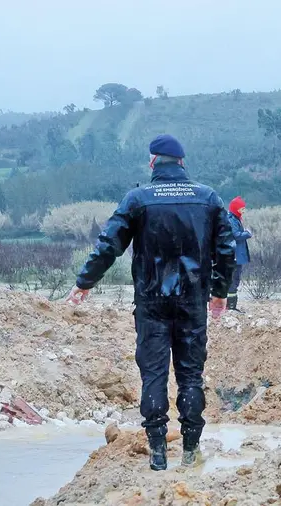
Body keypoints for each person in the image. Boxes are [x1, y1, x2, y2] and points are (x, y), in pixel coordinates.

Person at [65, 134, 237, 471]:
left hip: (151, 303)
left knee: (154, 376)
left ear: (152, 162)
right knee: (190, 375)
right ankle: (190, 452)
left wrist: (84, 282)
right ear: (182, 162)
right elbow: (227, 249)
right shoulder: (208, 198)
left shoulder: (138, 199)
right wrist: (220, 292)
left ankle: (158, 456)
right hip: (192, 301)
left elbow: (108, 245)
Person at [226, 196, 252, 313]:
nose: (243, 211)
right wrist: (247, 233)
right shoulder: (232, 220)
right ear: (236, 208)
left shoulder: (235, 219)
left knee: (234, 280)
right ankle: (230, 307)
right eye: (241, 209)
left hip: (235, 255)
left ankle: (230, 306)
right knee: (233, 280)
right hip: (234, 255)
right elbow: (236, 235)